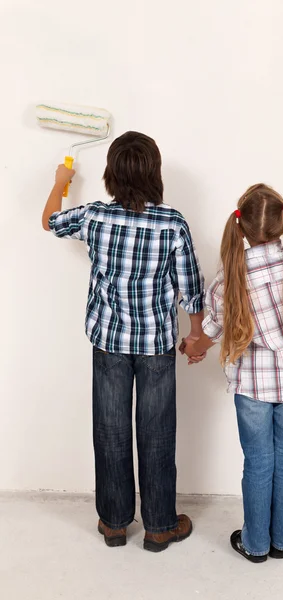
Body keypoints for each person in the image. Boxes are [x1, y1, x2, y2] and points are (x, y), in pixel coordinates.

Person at [42, 131, 205, 551]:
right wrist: (198, 335)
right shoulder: (172, 223)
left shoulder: (96, 215)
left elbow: (50, 222)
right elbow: (191, 289)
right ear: (156, 173)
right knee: (157, 433)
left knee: (111, 430)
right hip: (156, 346)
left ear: (111, 174)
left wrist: (61, 181)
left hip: (109, 342)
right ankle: (159, 526)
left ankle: (114, 523)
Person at [181, 184, 283, 563]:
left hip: (251, 386)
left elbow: (210, 334)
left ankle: (255, 545)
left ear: (240, 226)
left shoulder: (226, 281)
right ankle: (281, 540)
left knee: (258, 462)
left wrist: (192, 347)